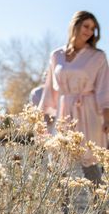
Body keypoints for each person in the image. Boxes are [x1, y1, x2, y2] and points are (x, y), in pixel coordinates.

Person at [39, 11, 109, 185]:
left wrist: (107, 118)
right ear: (75, 25)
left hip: (89, 112)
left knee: (91, 165)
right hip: (64, 112)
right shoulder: (57, 56)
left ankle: (99, 210)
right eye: (86, 26)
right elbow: (50, 88)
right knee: (59, 164)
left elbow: (104, 88)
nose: (89, 31)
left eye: (93, 28)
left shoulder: (98, 56)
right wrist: (44, 114)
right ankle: (61, 211)